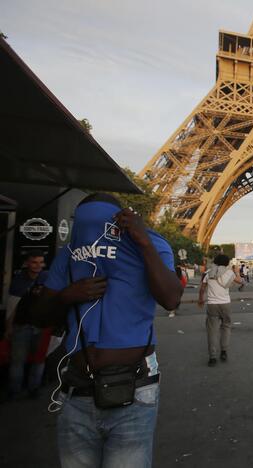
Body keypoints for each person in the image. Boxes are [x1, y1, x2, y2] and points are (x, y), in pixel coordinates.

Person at [30, 193, 182, 468]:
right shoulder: (70, 253)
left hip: (135, 386)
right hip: (77, 388)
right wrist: (67, 296)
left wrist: (143, 241)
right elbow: (40, 317)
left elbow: (171, 299)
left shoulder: (151, 245)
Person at [5, 250, 49, 399]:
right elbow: (12, 306)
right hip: (22, 325)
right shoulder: (19, 280)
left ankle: (34, 389)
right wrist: (9, 327)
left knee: (39, 360)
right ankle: (14, 390)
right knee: (18, 361)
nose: (37, 265)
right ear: (27, 263)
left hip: (41, 326)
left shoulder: (47, 278)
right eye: (34, 262)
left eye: (40, 262)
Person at [198, 255, 243, 366]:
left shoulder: (209, 273)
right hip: (225, 304)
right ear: (227, 263)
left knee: (212, 331)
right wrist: (237, 271)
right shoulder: (229, 273)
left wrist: (200, 299)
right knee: (226, 327)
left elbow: (202, 288)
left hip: (212, 304)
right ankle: (223, 351)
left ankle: (212, 357)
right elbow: (240, 281)